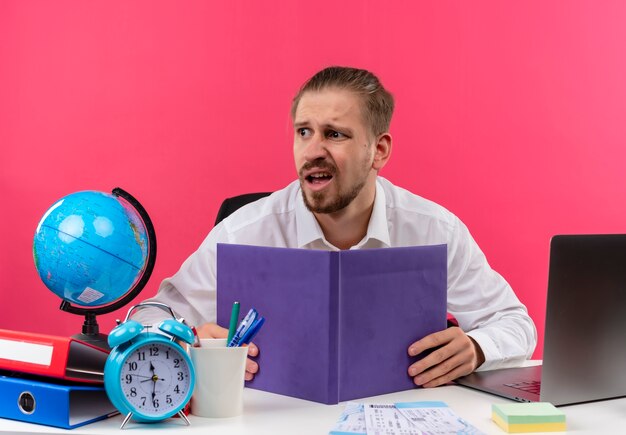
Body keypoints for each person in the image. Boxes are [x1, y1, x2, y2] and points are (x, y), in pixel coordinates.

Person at [134, 66, 536, 388]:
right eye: (303, 132)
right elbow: (148, 317)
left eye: (335, 134)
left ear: (378, 150)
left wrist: (477, 347)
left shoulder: (435, 229)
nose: (312, 151)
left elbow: (516, 323)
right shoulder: (244, 230)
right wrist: (190, 340)